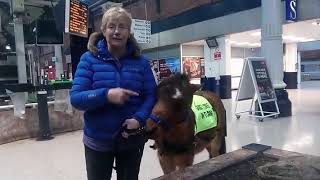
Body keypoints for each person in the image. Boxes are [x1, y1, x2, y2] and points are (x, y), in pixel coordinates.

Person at [70, 7, 156, 180]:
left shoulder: (141, 63)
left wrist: (138, 119)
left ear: (129, 31)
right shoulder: (88, 60)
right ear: (103, 30)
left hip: (131, 139)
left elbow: (151, 95)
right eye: (111, 26)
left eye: (122, 27)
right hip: (98, 140)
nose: (117, 31)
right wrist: (106, 95)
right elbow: (76, 98)